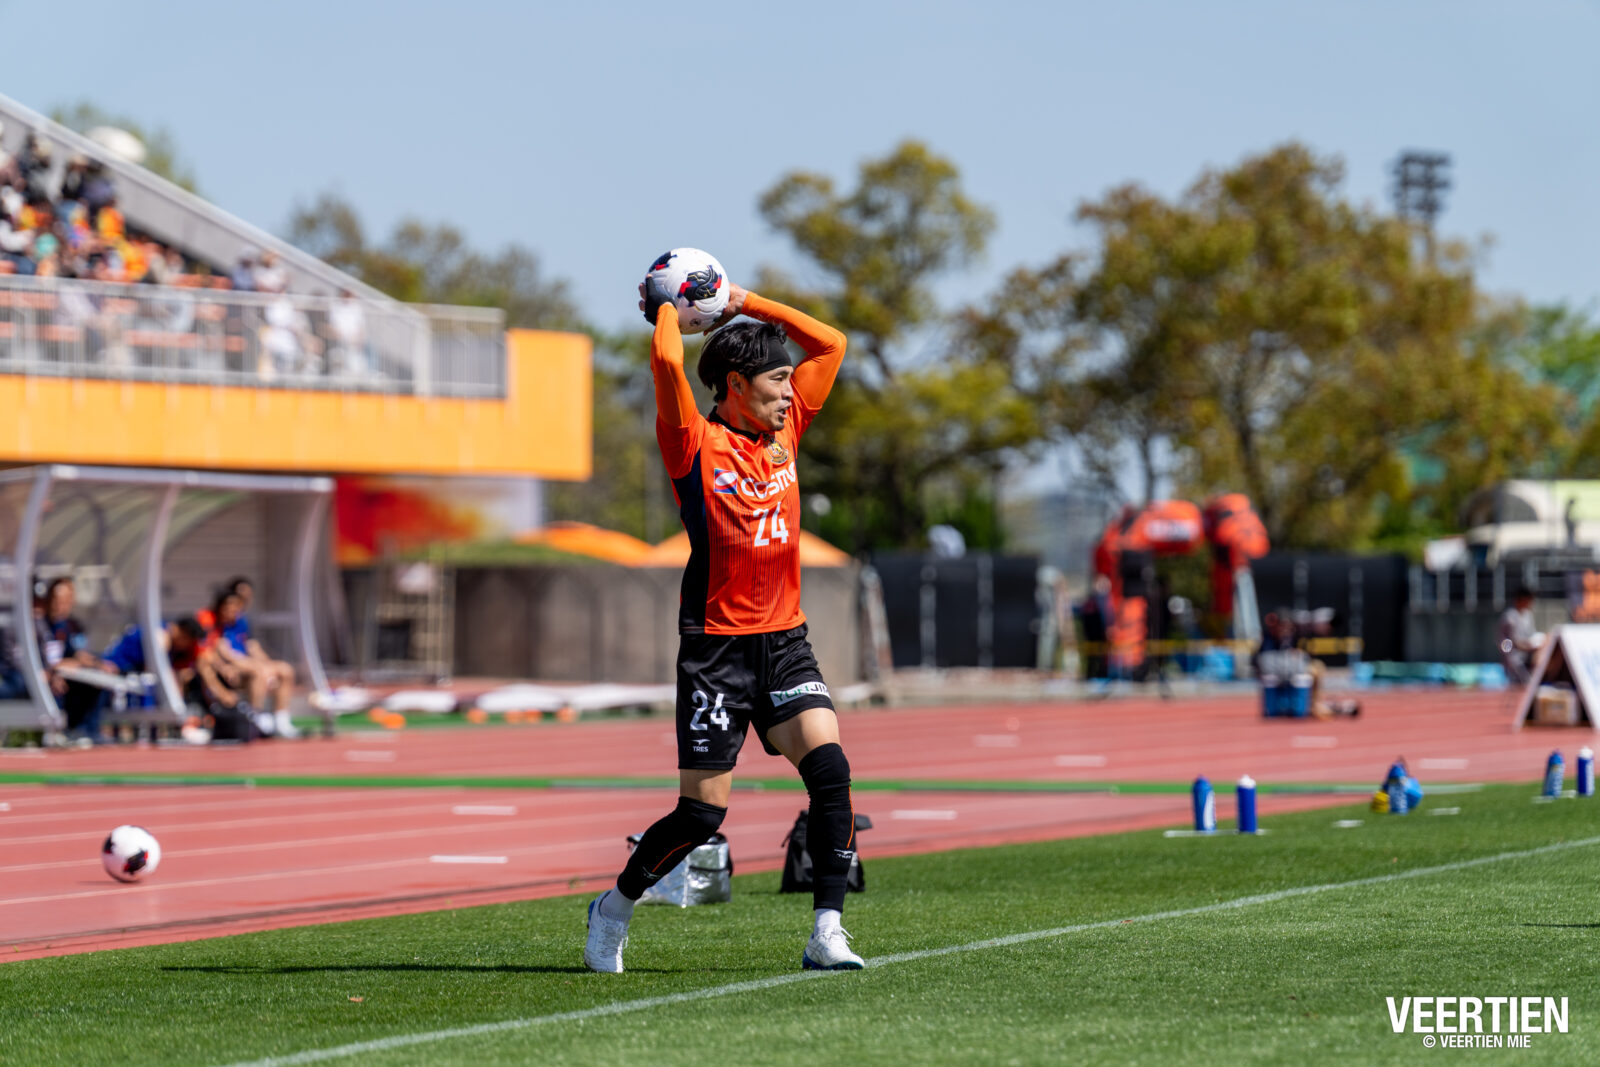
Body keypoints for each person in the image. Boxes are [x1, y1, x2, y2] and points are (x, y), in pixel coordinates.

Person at [584, 276, 858, 974]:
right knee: (702, 816)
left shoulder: (787, 431)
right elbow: (666, 360)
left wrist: (744, 299)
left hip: (786, 643)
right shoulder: (693, 442)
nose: (790, 393)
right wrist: (668, 308)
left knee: (831, 772)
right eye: (777, 381)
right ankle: (614, 907)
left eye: (791, 382)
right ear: (736, 385)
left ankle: (826, 932)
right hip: (716, 654)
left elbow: (832, 343)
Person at [35, 577, 106, 741]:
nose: (61, 606)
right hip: (43, 676)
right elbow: (43, 660)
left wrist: (98, 664)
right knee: (59, 684)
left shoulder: (66, 625)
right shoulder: (39, 625)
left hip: (60, 673)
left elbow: (75, 653)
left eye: (67, 601)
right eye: (58, 601)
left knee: (95, 681)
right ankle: (67, 732)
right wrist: (57, 669)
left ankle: (88, 732)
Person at [1498, 585, 1545, 686]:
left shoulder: (1528, 615)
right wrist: (1528, 646)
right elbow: (1510, 643)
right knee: (1522, 685)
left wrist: (1537, 643)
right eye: (1528, 600)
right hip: (1514, 659)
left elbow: (1532, 635)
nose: (1530, 603)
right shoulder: (1510, 617)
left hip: (1527, 656)